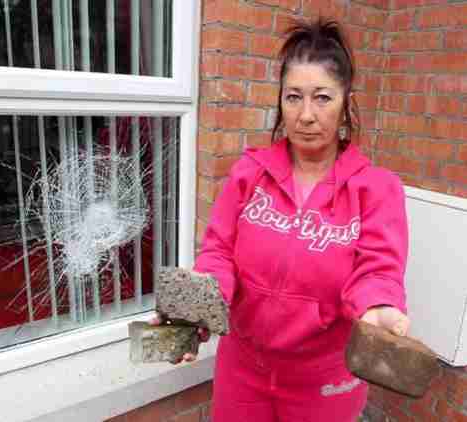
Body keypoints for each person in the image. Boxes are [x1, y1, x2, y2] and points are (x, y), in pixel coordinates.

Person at [155, 18, 410, 422]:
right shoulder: (249, 172)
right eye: (293, 97)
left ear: (346, 101)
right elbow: (219, 253)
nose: (306, 115)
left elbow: (378, 269)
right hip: (242, 368)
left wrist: (377, 307)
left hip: (325, 378)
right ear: (280, 101)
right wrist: (195, 311)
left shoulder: (376, 188)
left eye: (322, 98)